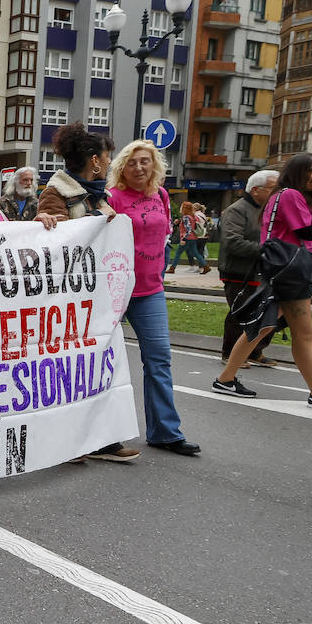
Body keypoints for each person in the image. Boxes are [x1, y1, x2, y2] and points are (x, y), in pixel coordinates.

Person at [213, 153, 312, 409]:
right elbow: (305, 231)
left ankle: (226, 378)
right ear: (298, 171)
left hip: (284, 270)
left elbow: (295, 234)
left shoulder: (282, 195)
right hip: (290, 273)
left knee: (264, 328)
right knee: (303, 333)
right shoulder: (290, 195)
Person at [105, 139, 201, 457]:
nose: (139, 167)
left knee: (159, 360)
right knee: (103, 363)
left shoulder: (161, 195)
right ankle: (101, 435)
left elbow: (164, 236)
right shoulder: (112, 197)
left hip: (150, 292)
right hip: (113, 292)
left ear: (154, 165)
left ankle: (165, 432)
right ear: (122, 167)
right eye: (132, 162)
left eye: (145, 161)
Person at [217, 171, 278, 367]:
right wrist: (267, 250)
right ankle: (230, 353)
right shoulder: (237, 210)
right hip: (239, 272)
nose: (277, 192)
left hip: (264, 271)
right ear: (255, 190)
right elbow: (233, 243)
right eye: (273, 188)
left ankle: (254, 351)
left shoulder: (271, 210)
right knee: (240, 313)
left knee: (266, 313)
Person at [38, 123, 116, 220]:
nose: (109, 161)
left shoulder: (99, 193)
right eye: (107, 155)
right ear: (95, 160)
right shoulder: (54, 194)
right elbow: (58, 233)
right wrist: (98, 215)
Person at [166, 201, 210, 274]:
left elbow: (188, 229)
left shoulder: (186, 217)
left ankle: (172, 268)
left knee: (178, 253)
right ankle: (206, 266)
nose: (180, 208)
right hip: (193, 237)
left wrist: (184, 239)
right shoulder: (192, 216)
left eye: (181, 206)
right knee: (195, 253)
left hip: (187, 238)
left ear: (184, 208)